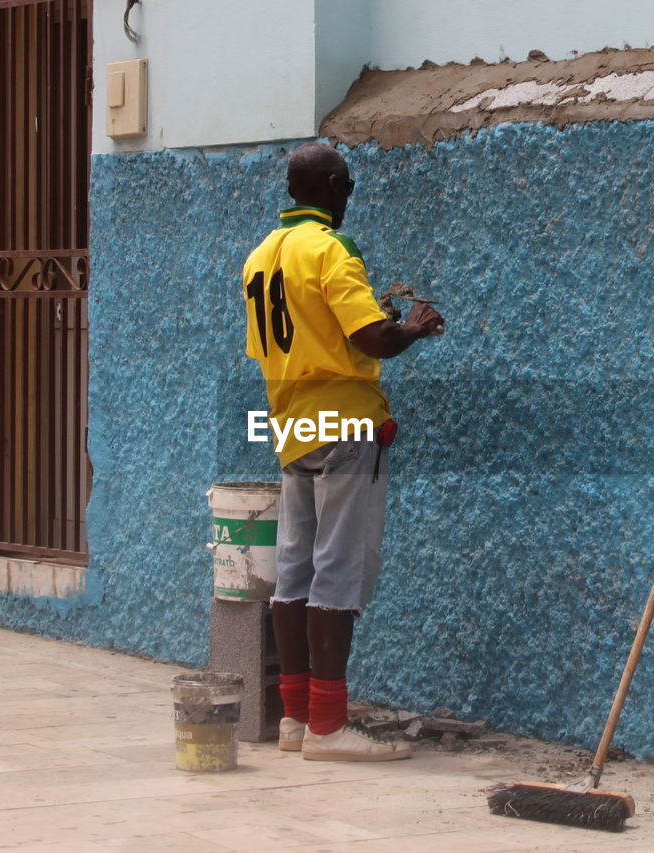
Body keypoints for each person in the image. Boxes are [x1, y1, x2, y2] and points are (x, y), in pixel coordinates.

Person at [241, 142, 444, 761]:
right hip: (348, 424)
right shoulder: (331, 249)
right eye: (347, 186)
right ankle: (330, 727)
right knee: (340, 567)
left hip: (292, 424)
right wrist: (414, 324)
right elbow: (373, 340)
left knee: (295, 569)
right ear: (331, 186)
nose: (349, 196)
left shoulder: (260, 256)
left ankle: (296, 719)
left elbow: (310, 334)